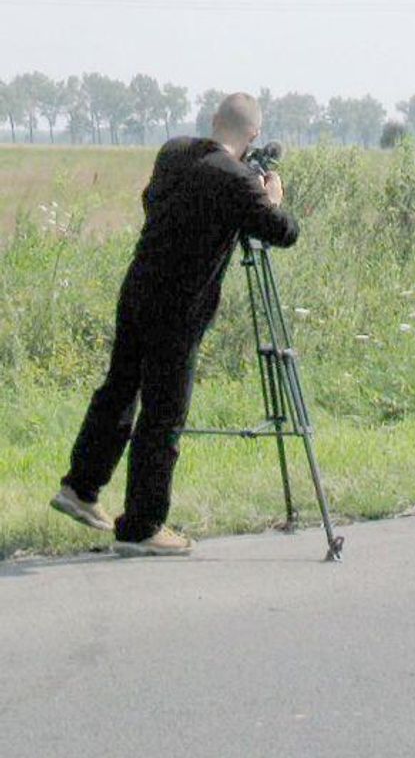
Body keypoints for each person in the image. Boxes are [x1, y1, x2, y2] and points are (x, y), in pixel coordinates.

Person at [50, 92, 299, 557]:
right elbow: (282, 231)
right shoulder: (238, 180)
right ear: (254, 135)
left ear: (214, 119)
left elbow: (152, 200)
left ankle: (80, 488)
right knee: (163, 414)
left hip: (138, 287)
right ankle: (142, 527)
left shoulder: (174, 152)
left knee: (120, 388)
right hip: (179, 308)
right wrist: (272, 198)